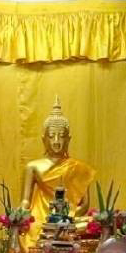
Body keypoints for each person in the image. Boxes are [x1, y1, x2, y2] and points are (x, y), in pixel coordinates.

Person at [20, 97, 96, 230]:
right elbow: (26, 200)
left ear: (68, 139)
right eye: (51, 136)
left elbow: (84, 205)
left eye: (61, 136)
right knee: (32, 227)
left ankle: (63, 228)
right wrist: (21, 214)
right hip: (41, 220)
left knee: (92, 223)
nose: (56, 141)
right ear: (44, 139)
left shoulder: (79, 168)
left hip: (69, 219)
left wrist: (68, 219)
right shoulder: (33, 167)